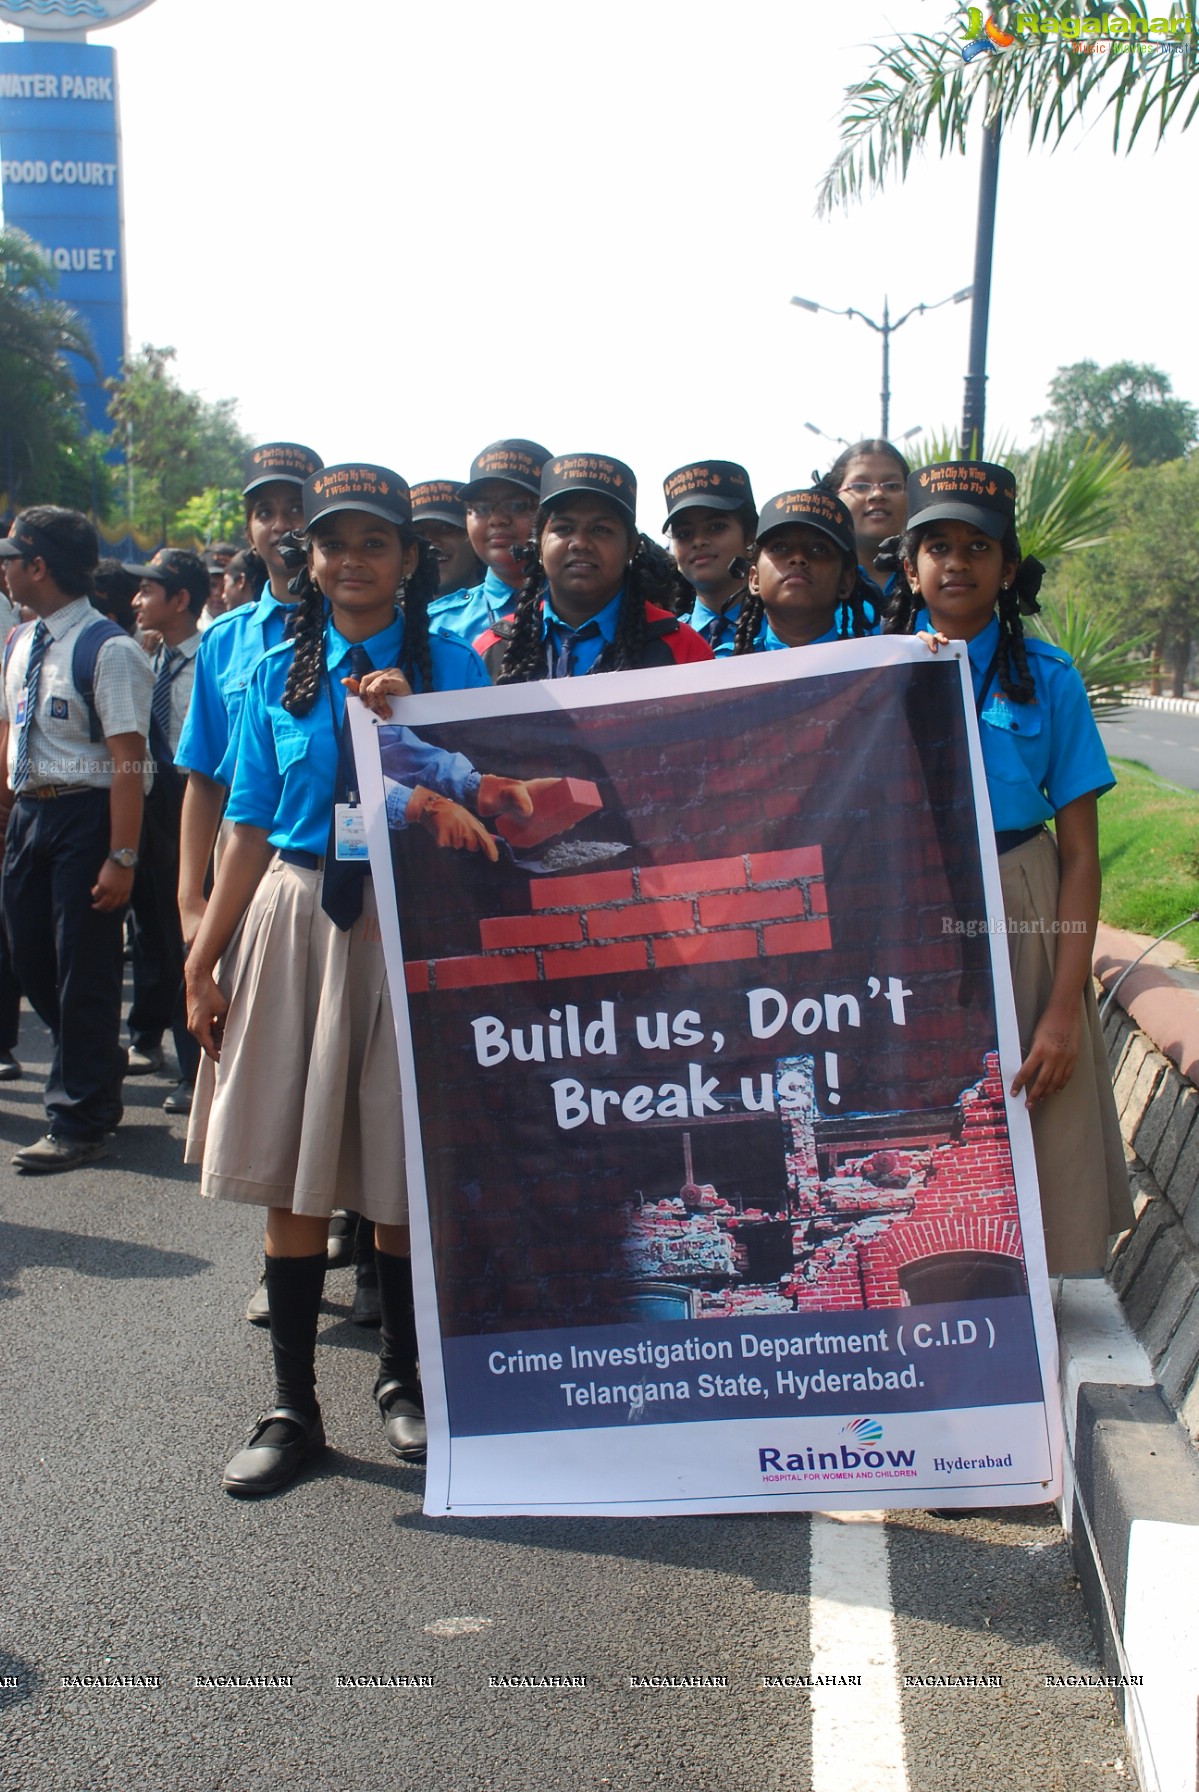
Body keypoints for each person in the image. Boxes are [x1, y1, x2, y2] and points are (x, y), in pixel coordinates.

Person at [183, 464, 532, 1497]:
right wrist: (204, 957)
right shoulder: (276, 672)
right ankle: (293, 1405)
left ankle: (404, 1381)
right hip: (294, 920)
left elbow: (496, 811)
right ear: (309, 559)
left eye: (372, 543)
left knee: (397, 1174)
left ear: (409, 560)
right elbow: (245, 823)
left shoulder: (459, 669)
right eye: (330, 543)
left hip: (409, 921)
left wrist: (409, 721)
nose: (348, 560)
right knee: (293, 1179)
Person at [883, 460, 1134, 1274]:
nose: (956, 563)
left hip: (1023, 896)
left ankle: (1042, 1304)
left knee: (1038, 1085)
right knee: (935, 1109)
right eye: (936, 545)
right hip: (912, 914)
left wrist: (1064, 1010)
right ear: (910, 564)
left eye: (977, 546)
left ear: (1008, 567)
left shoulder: (1050, 679)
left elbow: (1082, 853)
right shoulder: (877, 677)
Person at [0, 507, 153, 1171]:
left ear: (39, 566)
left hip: (86, 817)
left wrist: (122, 857)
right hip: (30, 816)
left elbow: (130, 760)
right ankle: (95, 1065)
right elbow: (10, 734)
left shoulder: (108, 649)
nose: (3, 568)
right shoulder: (19, 642)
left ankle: (80, 1118)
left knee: (82, 970)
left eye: (11, 556)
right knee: (31, 960)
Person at [477, 454, 714, 681]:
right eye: (564, 528)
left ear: (630, 546)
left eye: (601, 529)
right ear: (538, 544)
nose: (580, 543)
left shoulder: (684, 649)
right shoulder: (491, 648)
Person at [122, 549, 207, 1111]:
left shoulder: (213, 658)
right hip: (150, 801)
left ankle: (193, 1068)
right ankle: (146, 1033)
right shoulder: (146, 656)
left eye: (149, 590)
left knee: (189, 933)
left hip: (194, 799)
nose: (136, 600)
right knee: (149, 926)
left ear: (180, 600)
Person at [729, 488, 878, 656]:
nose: (798, 558)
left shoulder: (878, 665)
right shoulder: (718, 666)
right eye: (779, 547)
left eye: (819, 549)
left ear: (846, 580)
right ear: (754, 579)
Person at [453, 438, 552, 647]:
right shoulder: (437, 626)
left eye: (517, 506)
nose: (497, 519)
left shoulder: (592, 610)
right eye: (481, 508)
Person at [661, 460, 757, 651]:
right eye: (684, 534)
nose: (699, 541)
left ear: (749, 535)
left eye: (716, 527)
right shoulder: (661, 644)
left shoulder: (784, 632)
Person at [825, 438, 911, 606]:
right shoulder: (812, 584)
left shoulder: (936, 582)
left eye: (892, 486)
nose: (877, 494)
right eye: (860, 486)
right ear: (834, 497)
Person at [411, 481, 484, 637]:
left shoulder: (512, 612)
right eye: (419, 534)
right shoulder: (389, 622)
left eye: (446, 528)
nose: (431, 543)